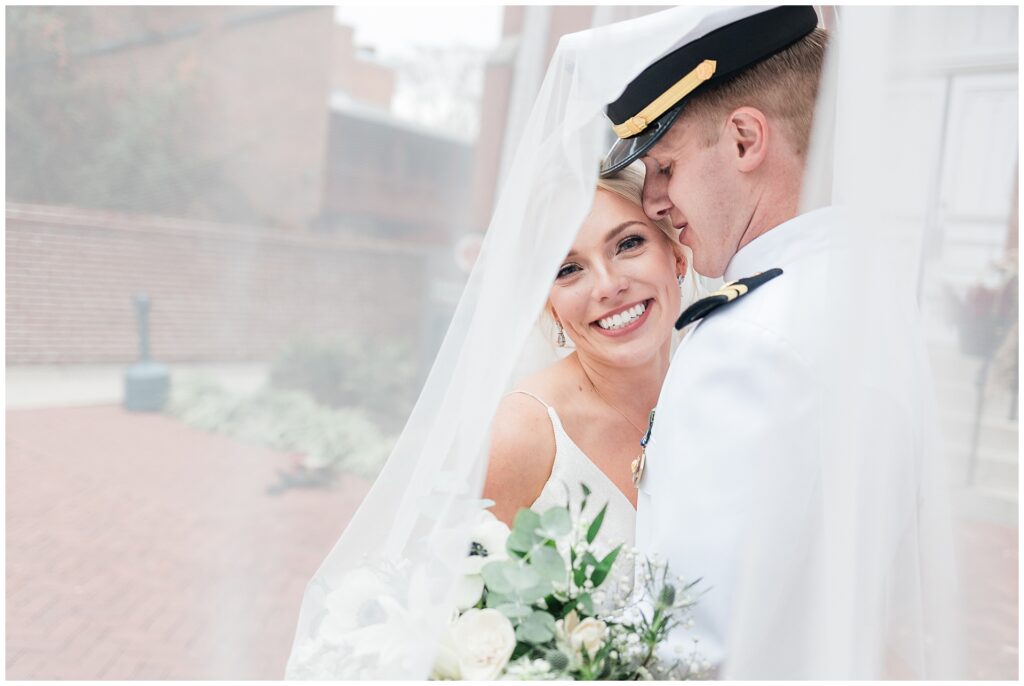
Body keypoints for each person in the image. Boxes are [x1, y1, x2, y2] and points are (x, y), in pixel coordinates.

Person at [598, 5, 961, 679]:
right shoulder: (871, 296)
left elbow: (685, 646)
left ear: (744, 140)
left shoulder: (751, 342)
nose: (651, 201)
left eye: (665, 166)